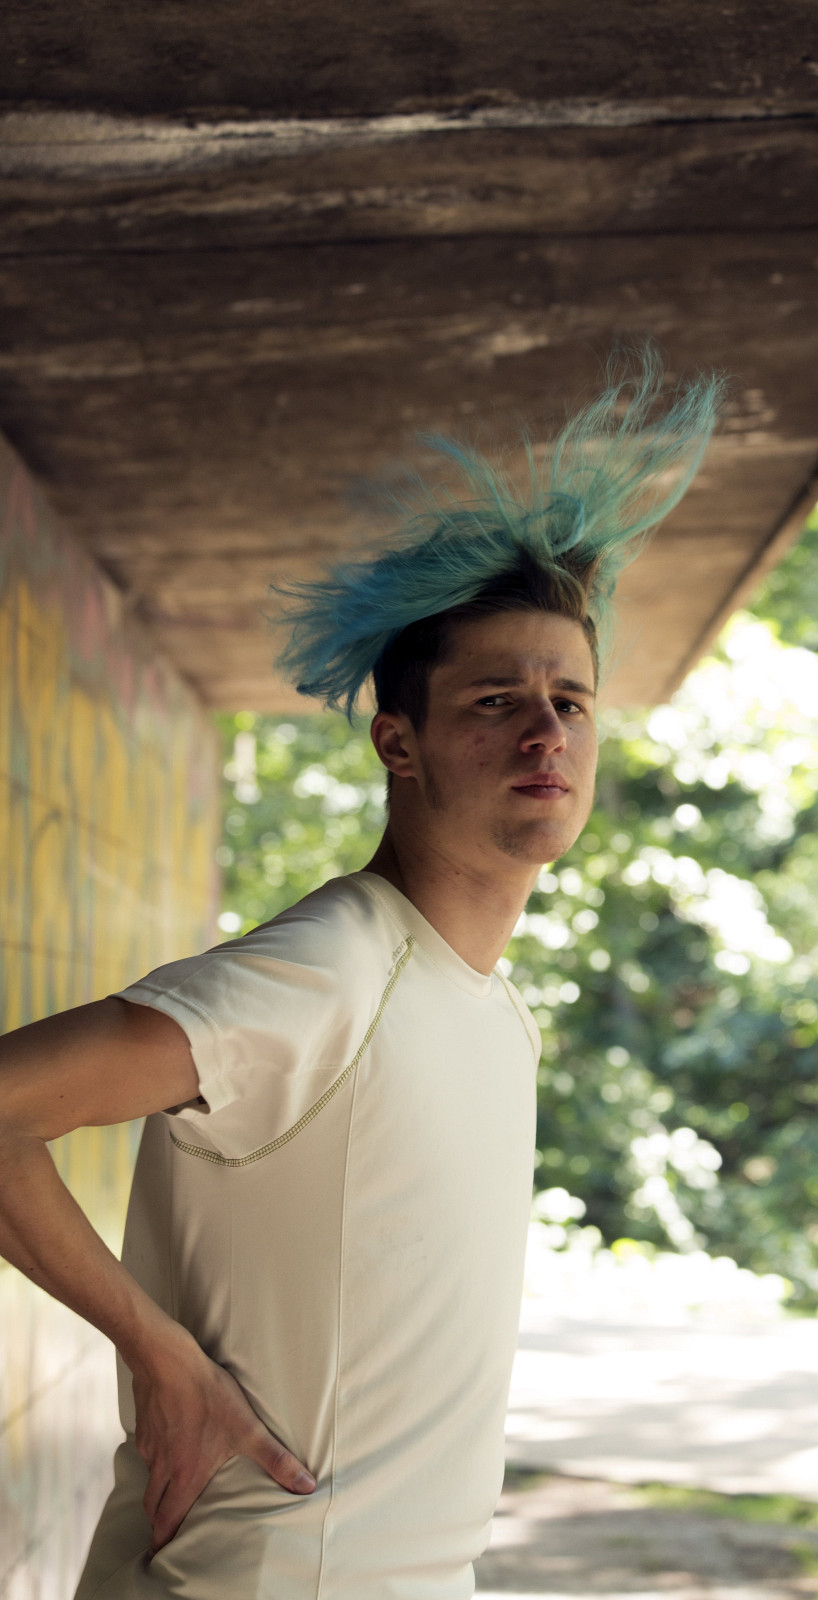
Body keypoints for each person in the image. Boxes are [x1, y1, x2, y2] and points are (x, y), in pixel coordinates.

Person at [0, 350, 721, 1599]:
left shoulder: (495, 1010)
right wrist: (163, 1361)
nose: (545, 730)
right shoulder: (328, 968)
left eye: (571, 700)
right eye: (494, 700)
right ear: (400, 741)